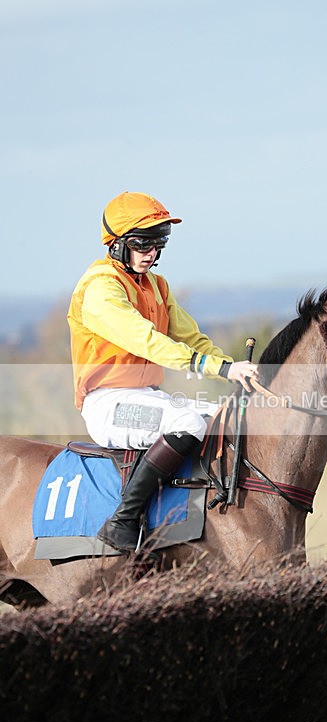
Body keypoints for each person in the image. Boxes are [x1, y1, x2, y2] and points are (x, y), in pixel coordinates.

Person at [67, 191, 258, 554]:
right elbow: (148, 341)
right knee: (189, 422)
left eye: (158, 245)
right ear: (117, 243)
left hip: (146, 397)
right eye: (143, 245)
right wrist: (218, 368)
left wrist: (234, 369)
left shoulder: (157, 285)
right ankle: (123, 520)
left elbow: (192, 338)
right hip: (107, 404)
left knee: (213, 419)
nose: (151, 254)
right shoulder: (100, 289)